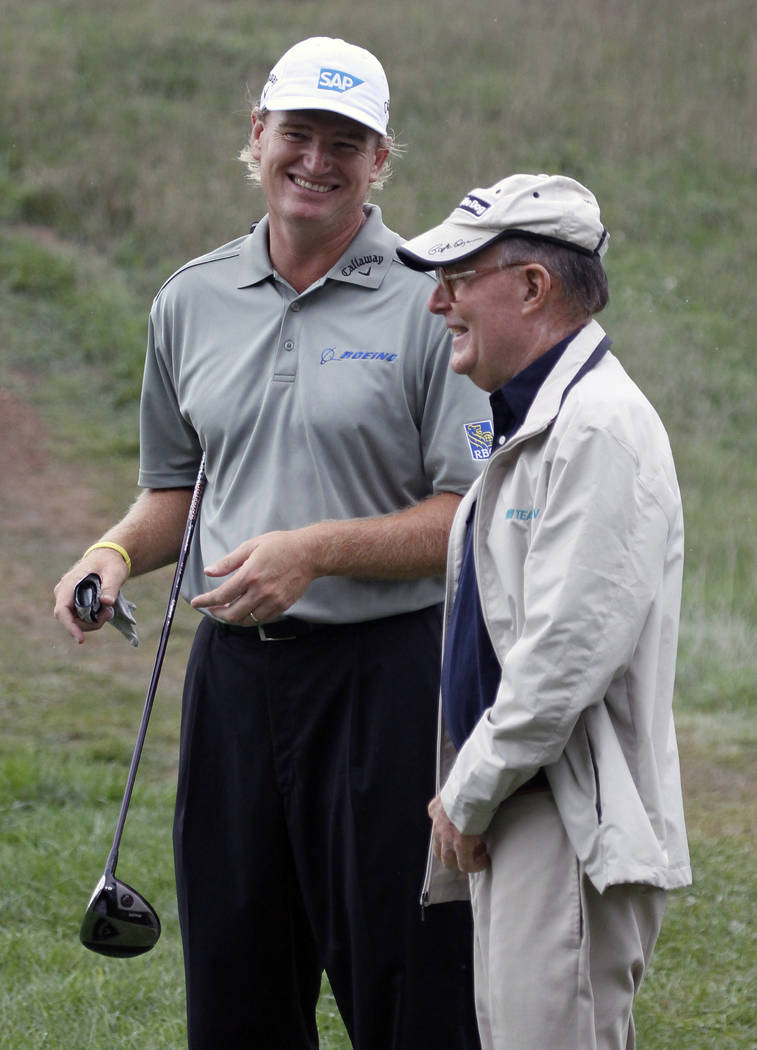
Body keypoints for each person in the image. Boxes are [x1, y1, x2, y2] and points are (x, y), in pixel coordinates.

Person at [53, 37, 490, 1050]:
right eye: (298, 133)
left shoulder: (435, 299)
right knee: (238, 982)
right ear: (256, 138)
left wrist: (319, 549)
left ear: (381, 160)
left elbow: (469, 516)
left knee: (408, 986)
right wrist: (113, 554)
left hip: (390, 680)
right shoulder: (190, 299)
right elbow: (174, 489)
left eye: (348, 141)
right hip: (235, 685)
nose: (317, 160)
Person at [396, 173, 692, 1050]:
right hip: (531, 810)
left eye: (457, 277)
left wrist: (466, 793)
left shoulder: (597, 429)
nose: (435, 303)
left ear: (531, 287)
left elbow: (561, 659)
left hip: (564, 822)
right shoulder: (535, 423)